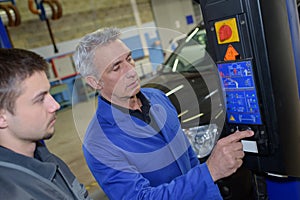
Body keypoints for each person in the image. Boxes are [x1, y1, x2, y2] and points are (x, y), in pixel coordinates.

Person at [73, 27, 254, 199]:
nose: (131, 71)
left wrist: (205, 178)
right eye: (116, 67)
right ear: (95, 82)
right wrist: (210, 172)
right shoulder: (98, 144)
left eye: (129, 59)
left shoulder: (158, 97)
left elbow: (188, 157)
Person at [0, 48, 91, 200]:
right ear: (2, 117)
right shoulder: (10, 193)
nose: (55, 105)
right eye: (40, 99)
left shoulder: (47, 159)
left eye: (49, 93)